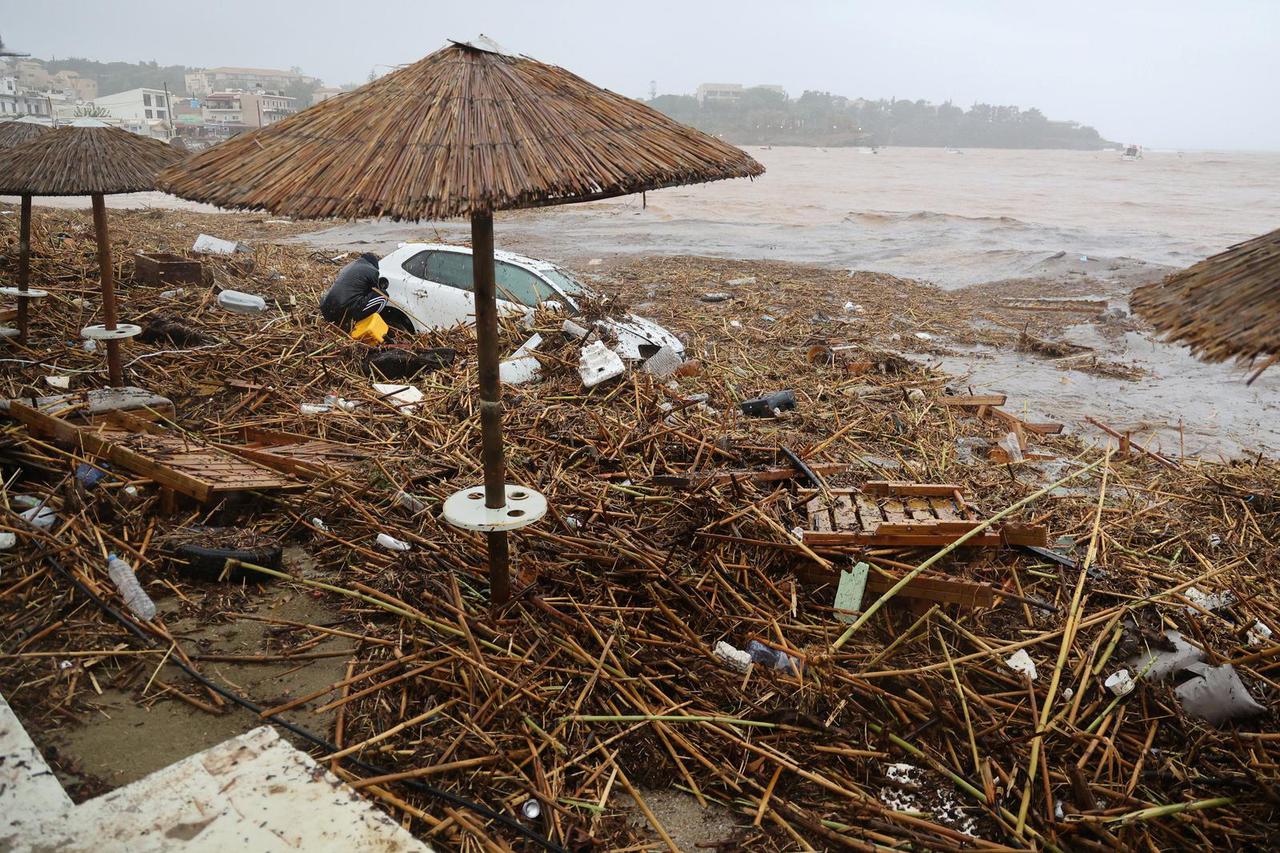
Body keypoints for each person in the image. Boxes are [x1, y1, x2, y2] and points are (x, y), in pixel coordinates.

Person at [320, 253, 388, 327]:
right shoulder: (373, 270)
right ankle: (364, 322)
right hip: (342, 313)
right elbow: (375, 290)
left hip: (326, 311)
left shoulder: (347, 267)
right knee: (384, 296)